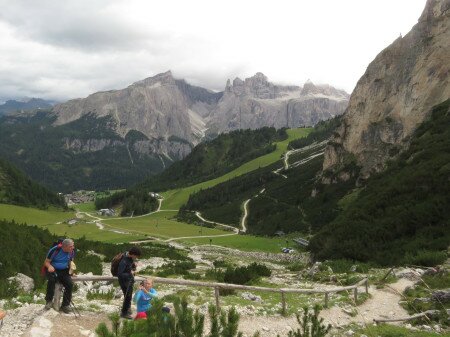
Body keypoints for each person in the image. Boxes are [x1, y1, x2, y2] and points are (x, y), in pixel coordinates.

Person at [43, 239, 75, 314]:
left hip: (64, 270)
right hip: (53, 269)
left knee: (69, 284)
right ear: (65, 246)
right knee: (51, 281)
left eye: (73, 246)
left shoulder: (71, 252)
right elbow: (46, 262)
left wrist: (72, 271)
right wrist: (50, 267)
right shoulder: (54, 250)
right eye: (71, 246)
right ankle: (49, 301)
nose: (72, 248)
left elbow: (70, 261)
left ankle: (65, 305)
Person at [117, 246, 141, 319]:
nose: (136, 258)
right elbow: (120, 274)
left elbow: (130, 267)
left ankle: (127, 309)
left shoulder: (129, 258)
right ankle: (124, 313)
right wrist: (131, 273)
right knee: (127, 296)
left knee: (128, 296)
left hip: (128, 280)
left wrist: (134, 267)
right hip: (124, 281)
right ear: (133, 254)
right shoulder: (124, 261)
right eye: (136, 256)